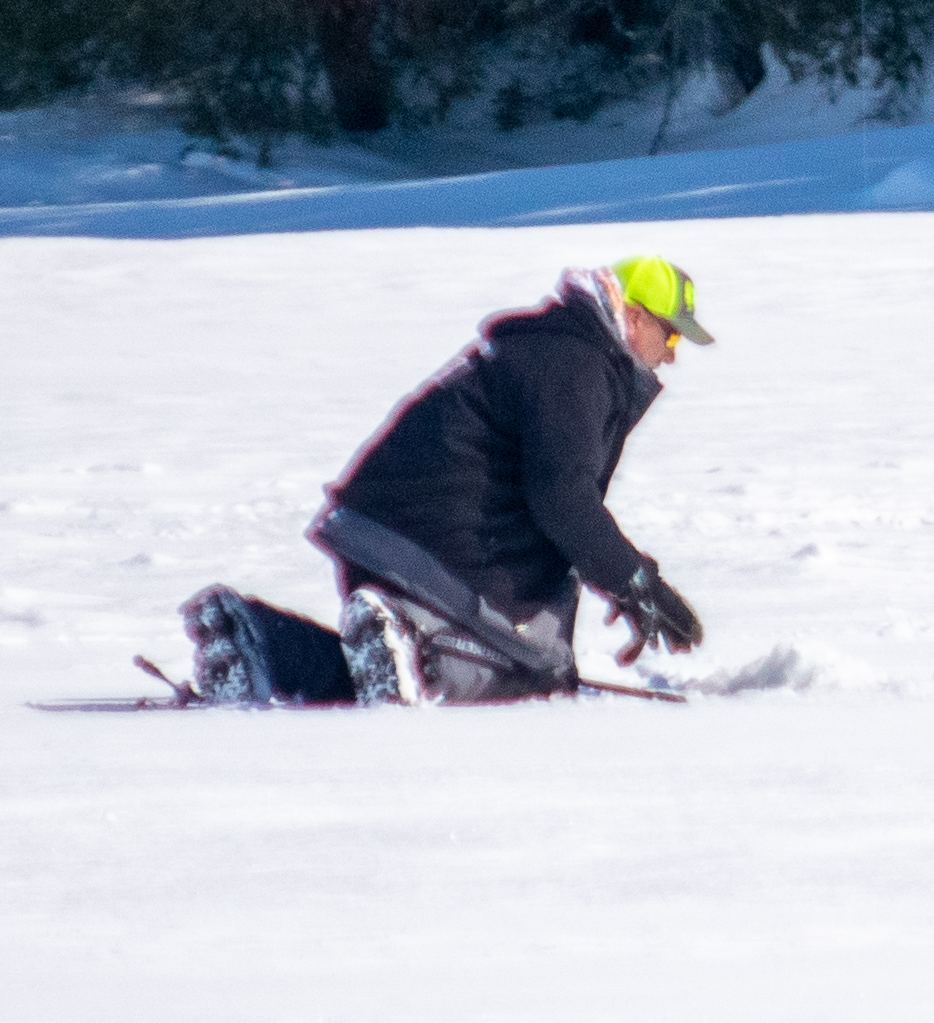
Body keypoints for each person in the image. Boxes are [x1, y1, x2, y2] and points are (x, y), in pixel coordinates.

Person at [177, 258, 714, 705]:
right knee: (529, 676)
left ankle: (261, 645)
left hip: (392, 525)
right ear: (636, 317)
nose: (671, 353)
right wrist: (634, 581)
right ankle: (406, 639)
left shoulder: (559, 350)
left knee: (417, 675)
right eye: (670, 334)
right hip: (437, 539)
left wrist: (625, 577)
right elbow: (562, 498)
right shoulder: (577, 365)